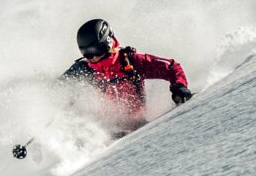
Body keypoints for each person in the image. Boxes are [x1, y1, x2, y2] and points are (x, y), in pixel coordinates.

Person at [63, 18, 192, 129]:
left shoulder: (130, 62)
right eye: (87, 53)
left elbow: (170, 67)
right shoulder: (83, 69)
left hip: (137, 127)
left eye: (97, 50)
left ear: (107, 43)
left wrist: (179, 87)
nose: (93, 57)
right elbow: (60, 89)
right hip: (105, 130)